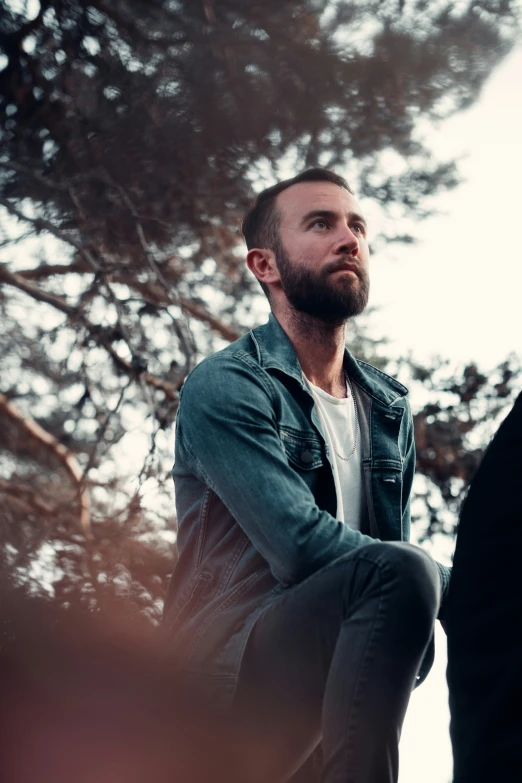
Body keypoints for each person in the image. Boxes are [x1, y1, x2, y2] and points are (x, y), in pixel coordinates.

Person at [163, 168, 451, 783]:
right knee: (401, 569)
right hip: (223, 683)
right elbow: (301, 549)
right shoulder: (228, 384)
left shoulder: (388, 408)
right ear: (265, 265)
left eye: (357, 227)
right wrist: (455, 584)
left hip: (327, 708)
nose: (348, 239)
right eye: (321, 224)